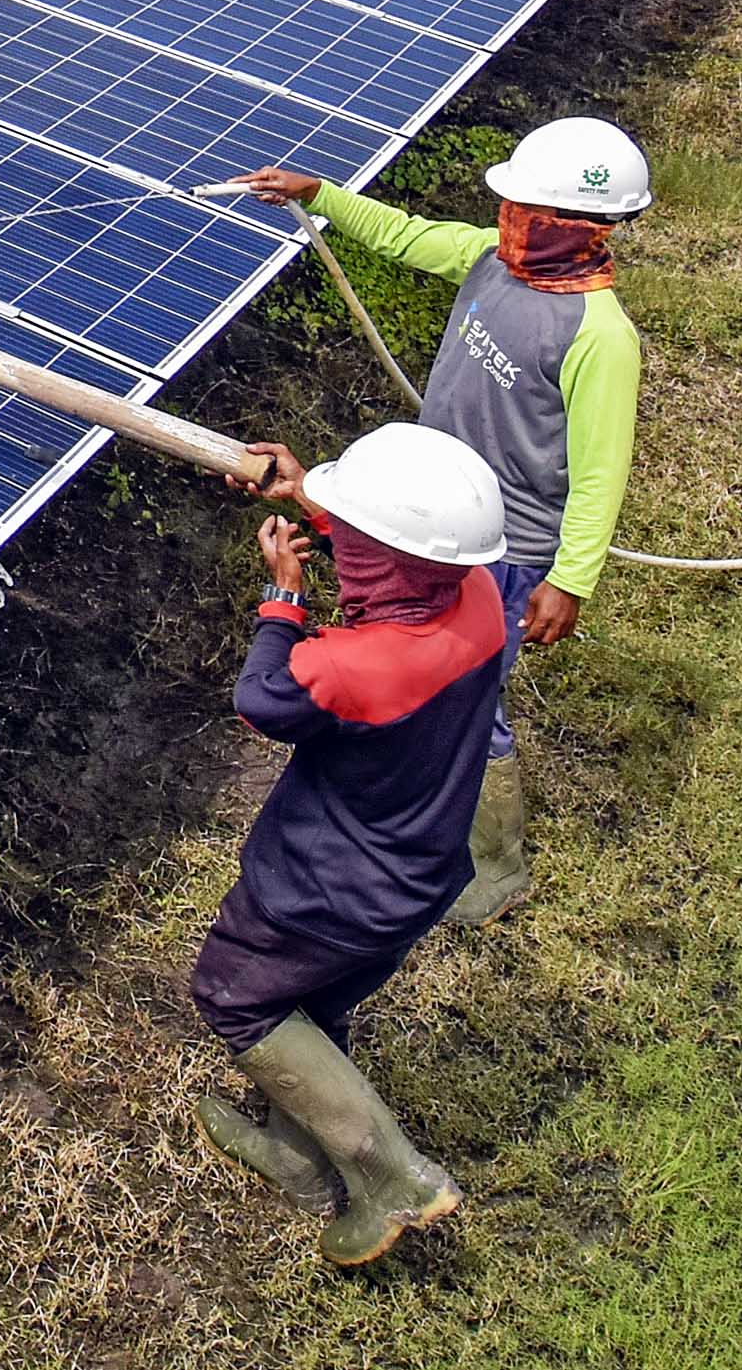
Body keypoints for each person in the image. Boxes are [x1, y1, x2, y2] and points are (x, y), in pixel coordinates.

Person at [235, 116, 648, 925]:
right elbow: (406, 235)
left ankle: (497, 867)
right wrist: (323, 195)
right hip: (430, 515)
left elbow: (602, 474)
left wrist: (570, 579)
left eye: (527, 209)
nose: (509, 219)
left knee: (470, 697)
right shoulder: (492, 259)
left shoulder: (601, 337)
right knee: (416, 669)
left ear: (584, 227)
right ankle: (424, 810)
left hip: (507, 548)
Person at [192, 420, 509, 1265]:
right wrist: (313, 497)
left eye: (356, 536)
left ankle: (392, 1176)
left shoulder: (352, 668)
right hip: (417, 878)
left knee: (237, 996)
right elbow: (405, 565)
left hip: (324, 889)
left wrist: (284, 599)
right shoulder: (478, 595)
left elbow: (263, 697)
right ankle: (297, 1158)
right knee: (315, 1004)